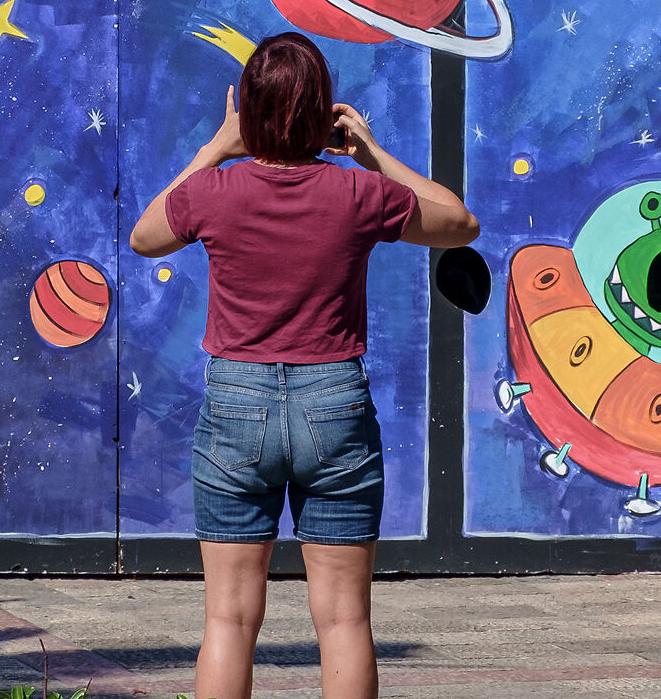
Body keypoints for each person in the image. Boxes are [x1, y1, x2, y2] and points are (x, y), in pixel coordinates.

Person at [130, 34, 477, 699]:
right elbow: (459, 222)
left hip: (236, 402)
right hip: (334, 402)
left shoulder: (214, 192)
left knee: (228, 620)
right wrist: (374, 154)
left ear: (248, 112)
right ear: (324, 113)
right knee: (344, 619)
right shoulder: (358, 193)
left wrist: (214, 149)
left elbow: (145, 236)